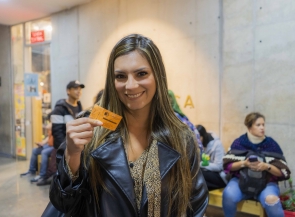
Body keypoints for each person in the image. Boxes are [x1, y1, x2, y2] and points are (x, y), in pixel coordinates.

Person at [45, 34, 208, 216]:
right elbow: (64, 204)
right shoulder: (92, 128)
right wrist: (72, 154)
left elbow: (196, 205)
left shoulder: (181, 137)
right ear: (112, 81)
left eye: (141, 74)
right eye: (121, 76)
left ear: (158, 76)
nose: (130, 85)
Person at [222, 112, 290, 217]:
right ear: (249, 127)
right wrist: (244, 163)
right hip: (241, 181)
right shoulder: (239, 142)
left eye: (263, 124)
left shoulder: (271, 144)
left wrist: (267, 166)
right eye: (258, 125)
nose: (262, 128)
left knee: (271, 199)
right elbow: (227, 166)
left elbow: (282, 172)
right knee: (228, 194)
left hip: (266, 183)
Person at [37, 80, 84, 186]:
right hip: (63, 149)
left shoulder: (80, 107)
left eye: (80, 89)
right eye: (75, 88)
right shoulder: (59, 109)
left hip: (77, 149)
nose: (79, 91)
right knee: (59, 179)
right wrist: (65, 149)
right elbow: (57, 133)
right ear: (68, 91)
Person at [196, 124, 227, 190]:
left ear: (202, 137)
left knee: (199, 176)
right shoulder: (198, 146)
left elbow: (218, 167)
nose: (195, 141)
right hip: (207, 173)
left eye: (197, 138)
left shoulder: (217, 144)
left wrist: (200, 164)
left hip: (219, 176)